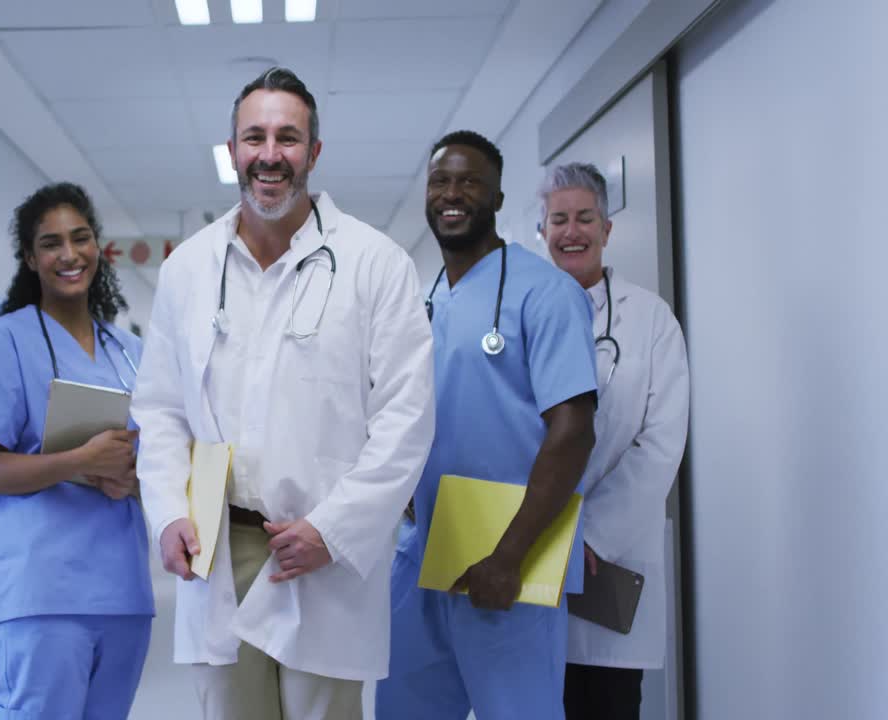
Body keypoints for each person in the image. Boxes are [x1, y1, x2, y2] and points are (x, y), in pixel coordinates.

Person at [130, 66, 435, 720]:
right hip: (217, 546)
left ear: (314, 153)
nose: (270, 154)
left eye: (288, 138)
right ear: (233, 150)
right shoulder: (189, 268)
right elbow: (158, 407)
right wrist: (166, 513)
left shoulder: (375, 264)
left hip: (321, 553)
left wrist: (336, 528)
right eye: (254, 137)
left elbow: (406, 419)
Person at [376, 131, 598, 720]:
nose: (452, 194)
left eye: (469, 181)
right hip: (422, 559)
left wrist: (509, 555)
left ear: (498, 198)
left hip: (511, 561)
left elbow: (573, 430)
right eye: (439, 182)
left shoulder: (546, 293)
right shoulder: (422, 301)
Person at [0, 182, 153, 720]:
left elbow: (155, 457)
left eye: (80, 237)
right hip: (43, 594)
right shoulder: (7, 340)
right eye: (50, 243)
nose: (69, 254)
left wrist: (133, 477)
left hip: (124, 593)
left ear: (98, 247)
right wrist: (79, 462)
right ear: (29, 257)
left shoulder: (130, 352)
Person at [540, 162, 690, 720]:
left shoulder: (650, 321)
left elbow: (660, 444)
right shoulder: (519, 314)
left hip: (609, 561)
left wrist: (592, 536)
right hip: (527, 555)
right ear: (542, 230)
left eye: (585, 218)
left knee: (606, 705)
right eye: (559, 219)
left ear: (607, 229)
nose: (571, 231)